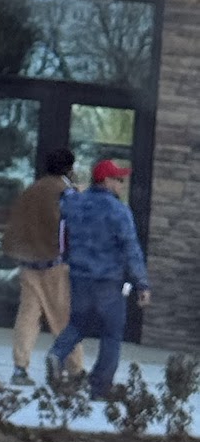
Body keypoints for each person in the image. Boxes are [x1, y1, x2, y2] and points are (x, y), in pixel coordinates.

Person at [48, 159, 151, 398]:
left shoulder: (74, 203)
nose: (122, 184)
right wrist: (141, 283)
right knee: (111, 333)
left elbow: (63, 210)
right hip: (108, 280)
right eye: (119, 179)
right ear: (106, 181)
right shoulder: (119, 211)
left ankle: (57, 354)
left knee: (78, 323)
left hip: (79, 276)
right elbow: (130, 249)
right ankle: (100, 386)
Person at [1, 147, 80, 385]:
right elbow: (74, 227)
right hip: (55, 265)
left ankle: (20, 368)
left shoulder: (31, 190)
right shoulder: (66, 193)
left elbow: (16, 225)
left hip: (29, 263)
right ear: (69, 168)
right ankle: (74, 369)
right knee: (62, 318)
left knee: (27, 317)